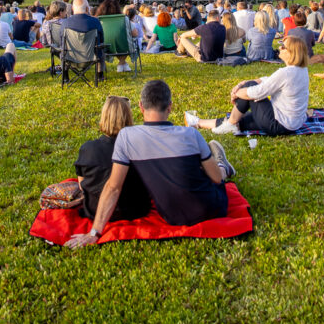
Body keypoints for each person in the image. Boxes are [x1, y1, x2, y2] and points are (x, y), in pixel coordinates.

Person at [65, 79, 233, 247]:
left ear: (141, 106)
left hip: (172, 215)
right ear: (170, 107)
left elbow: (113, 187)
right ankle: (222, 165)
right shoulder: (191, 134)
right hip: (212, 209)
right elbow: (216, 179)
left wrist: (95, 232)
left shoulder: (127, 137)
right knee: (217, 172)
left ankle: (220, 164)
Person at [190, 36, 310, 136]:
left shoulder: (286, 73)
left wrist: (238, 92)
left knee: (250, 87)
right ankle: (199, 122)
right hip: (292, 123)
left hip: (279, 124)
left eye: (283, 47)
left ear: (291, 53)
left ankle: (230, 123)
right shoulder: (301, 70)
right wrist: (243, 84)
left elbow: (257, 92)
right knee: (240, 120)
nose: (279, 48)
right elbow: (269, 81)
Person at [73, 96, 151, 222]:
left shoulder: (88, 149)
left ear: (104, 117)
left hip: (96, 211)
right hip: (136, 210)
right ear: (129, 118)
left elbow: (82, 185)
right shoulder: (141, 148)